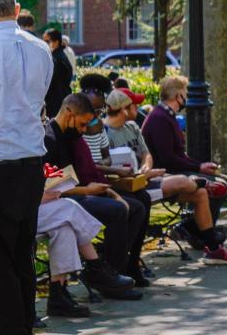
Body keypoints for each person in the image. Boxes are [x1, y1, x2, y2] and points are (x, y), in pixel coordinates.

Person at [0, 0, 53, 334]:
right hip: (31, 164)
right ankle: (24, 322)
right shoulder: (42, 50)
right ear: (15, 9)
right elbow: (40, 103)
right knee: (22, 253)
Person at [104, 89, 227, 263]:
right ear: (124, 110)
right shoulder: (106, 133)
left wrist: (146, 167)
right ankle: (202, 184)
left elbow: (147, 155)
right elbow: (112, 173)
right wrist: (146, 174)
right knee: (187, 181)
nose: (137, 108)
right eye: (134, 105)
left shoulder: (132, 126)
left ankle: (213, 249)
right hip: (130, 186)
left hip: (146, 179)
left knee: (200, 194)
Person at [43, 93, 145, 299]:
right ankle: (108, 275)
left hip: (77, 193)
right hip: (62, 199)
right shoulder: (50, 138)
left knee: (138, 206)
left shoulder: (69, 135)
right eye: (82, 124)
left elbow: (76, 174)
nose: (83, 130)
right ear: (69, 114)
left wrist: (104, 186)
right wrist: (88, 190)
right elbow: (51, 187)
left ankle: (121, 267)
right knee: (117, 210)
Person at [37, 189, 135, 317]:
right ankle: (96, 268)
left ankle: (57, 296)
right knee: (68, 206)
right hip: (16, 214)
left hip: (35, 210)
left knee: (64, 229)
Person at [43, 28, 73, 118]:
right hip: (61, 99)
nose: (44, 43)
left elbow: (50, 82)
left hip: (55, 102)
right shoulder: (59, 56)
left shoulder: (56, 59)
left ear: (55, 42)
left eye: (46, 41)